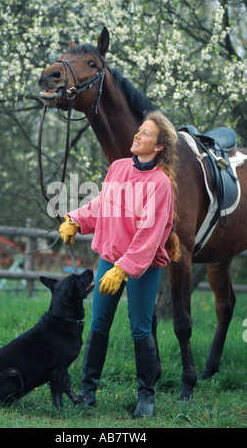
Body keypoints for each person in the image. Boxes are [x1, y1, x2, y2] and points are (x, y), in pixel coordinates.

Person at [59, 111, 181, 418]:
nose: (138, 135)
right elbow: (103, 204)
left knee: (140, 328)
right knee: (99, 323)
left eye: (146, 134)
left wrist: (124, 267)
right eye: (139, 130)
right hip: (109, 259)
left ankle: (146, 397)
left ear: (159, 147)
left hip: (142, 266)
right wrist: (76, 219)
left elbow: (149, 235)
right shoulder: (118, 168)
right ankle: (87, 392)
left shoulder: (160, 184)